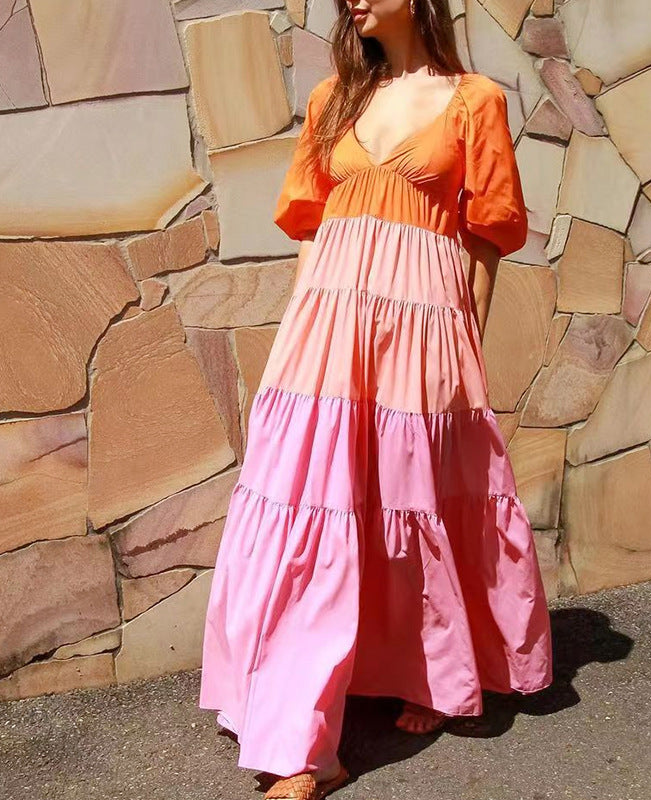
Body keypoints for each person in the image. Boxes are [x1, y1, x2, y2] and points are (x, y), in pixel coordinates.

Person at [198, 0, 553, 797]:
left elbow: (486, 239)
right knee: (311, 506)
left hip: (424, 329)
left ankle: (427, 670)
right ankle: (306, 747)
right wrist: (296, 339)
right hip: (329, 326)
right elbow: (311, 230)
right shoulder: (333, 100)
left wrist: (466, 347)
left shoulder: (475, 101)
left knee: (412, 499)